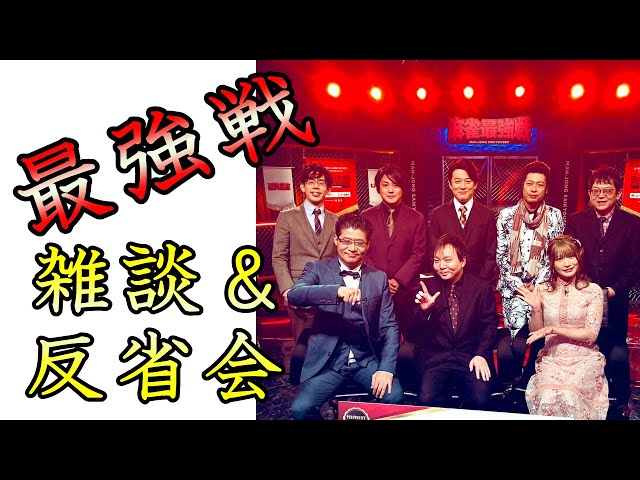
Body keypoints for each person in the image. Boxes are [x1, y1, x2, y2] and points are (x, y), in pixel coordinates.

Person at [288, 212, 404, 420]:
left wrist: (386, 369)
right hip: (328, 363)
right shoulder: (317, 269)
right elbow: (295, 295)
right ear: (336, 240)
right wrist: (336, 291)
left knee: (394, 396)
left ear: (367, 245)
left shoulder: (378, 278)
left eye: (359, 243)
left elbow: (390, 326)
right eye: (346, 241)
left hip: (365, 360)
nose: (352, 248)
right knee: (301, 409)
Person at [565, 164, 640, 420]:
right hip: (582, 297)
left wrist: (613, 290)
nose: (601, 195)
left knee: (615, 349)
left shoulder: (632, 223)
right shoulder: (576, 221)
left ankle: (620, 401)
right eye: (595, 190)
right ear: (589, 193)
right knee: (585, 347)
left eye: (607, 190)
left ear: (618, 193)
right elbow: (570, 258)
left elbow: (634, 265)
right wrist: (584, 288)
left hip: (614, 298)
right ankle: (585, 396)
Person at [515, 234, 609, 420]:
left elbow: (590, 334)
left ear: (578, 257)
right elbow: (536, 332)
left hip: (584, 357)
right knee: (548, 396)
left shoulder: (593, 291)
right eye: (559, 259)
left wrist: (554, 329)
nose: (567, 263)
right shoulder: (543, 289)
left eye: (570, 256)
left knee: (568, 395)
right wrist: (536, 309)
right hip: (552, 356)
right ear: (552, 263)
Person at [495, 160, 564, 390]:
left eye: (539, 184)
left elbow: (553, 255)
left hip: (542, 289)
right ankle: (513, 384)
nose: (534, 189)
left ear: (546, 188)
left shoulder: (555, 216)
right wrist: (519, 286)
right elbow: (501, 256)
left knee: (538, 339)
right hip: (513, 290)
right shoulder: (505, 216)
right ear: (522, 186)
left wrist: (538, 285)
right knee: (516, 343)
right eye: (529, 184)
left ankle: (531, 383)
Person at [412, 233, 499, 410]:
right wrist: (425, 311)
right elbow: (412, 332)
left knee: (480, 399)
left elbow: (489, 325)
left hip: (470, 356)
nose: (441, 266)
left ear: (463, 261)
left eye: (447, 260)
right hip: (437, 359)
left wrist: (481, 354)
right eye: (437, 261)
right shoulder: (427, 288)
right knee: (427, 399)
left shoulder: (481, 287)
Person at [272, 162, 339, 365]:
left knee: (330, 348)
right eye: (311, 182)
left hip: (329, 294)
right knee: (303, 349)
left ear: (328, 189)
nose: (316, 187)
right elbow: (279, 257)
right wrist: (288, 290)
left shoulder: (336, 220)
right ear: (302, 186)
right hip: (299, 294)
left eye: (321, 183)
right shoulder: (287, 218)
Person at [361, 163, 427, 342]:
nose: (390, 190)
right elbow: (363, 252)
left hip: (406, 293)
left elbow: (419, 253)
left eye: (395, 185)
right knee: (377, 342)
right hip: (375, 291)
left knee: (411, 344)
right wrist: (381, 280)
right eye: (385, 185)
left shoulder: (416, 218)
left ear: (403, 188)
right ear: (378, 188)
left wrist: (398, 280)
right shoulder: (366, 216)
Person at [429, 158, 497, 282]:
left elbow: (490, 255)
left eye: (468, 181)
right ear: (450, 184)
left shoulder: (487, 215)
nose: (462, 187)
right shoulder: (438, 214)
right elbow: (433, 253)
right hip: (446, 283)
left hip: (479, 283)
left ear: (475, 184)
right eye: (457, 181)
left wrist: (480, 283)